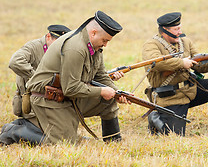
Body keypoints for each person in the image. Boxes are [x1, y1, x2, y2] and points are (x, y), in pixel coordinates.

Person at [13, 11, 128, 145]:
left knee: (108, 100)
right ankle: (16, 131)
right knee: (65, 143)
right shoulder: (76, 48)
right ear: (93, 33)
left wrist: (116, 92)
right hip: (48, 98)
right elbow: (71, 88)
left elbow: (100, 75)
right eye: (105, 40)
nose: (106, 45)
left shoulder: (93, 46)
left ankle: (113, 142)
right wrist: (102, 91)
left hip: (66, 97)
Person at [142, 12, 208, 136]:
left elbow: (199, 66)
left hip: (190, 90)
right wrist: (181, 63)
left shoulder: (185, 42)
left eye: (180, 28)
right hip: (170, 96)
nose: (179, 32)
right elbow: (154, 63)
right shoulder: (151, 45)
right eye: (176, 29)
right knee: (174, 136)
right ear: (164, 30)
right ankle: (155, 116)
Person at [0, 25, 71, 145]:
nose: (59, 47)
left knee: (65, 136)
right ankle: (13, 131)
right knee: (56, 141)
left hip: (49, 101)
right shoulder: (33, 47)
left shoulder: (60, 52)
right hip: (32, 102)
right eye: (57, 43)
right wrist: (37, 78)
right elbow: (15, 61)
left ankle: (19, 126)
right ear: (48, 37)